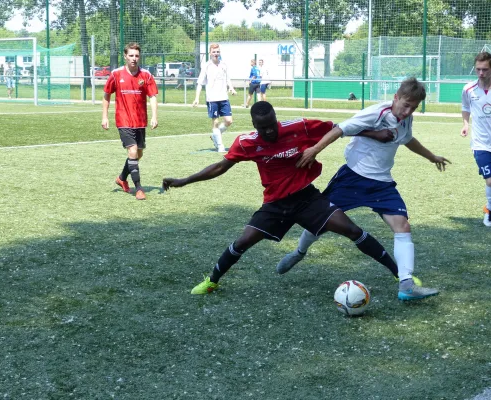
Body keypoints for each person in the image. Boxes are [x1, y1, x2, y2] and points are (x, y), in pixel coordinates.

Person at [163, 101, 412, 298]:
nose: (270, 131)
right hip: (275, 205)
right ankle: (211, 281)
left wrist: (374, 134)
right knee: (243, 241)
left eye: (273, 124)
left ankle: (398, 274)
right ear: (254, 124)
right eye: (264, 128)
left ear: (276, 119)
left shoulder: (298, 127)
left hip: (307, 198)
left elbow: (340, 128)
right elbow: (220, 167)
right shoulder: (247, 142)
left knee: (352, 229)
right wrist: (184, 180)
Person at [278, 77, 448, 301]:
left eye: (414, 107)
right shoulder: (376, 113)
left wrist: (431, 156)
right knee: (320, 220)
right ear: (396, 97)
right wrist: (315, 150)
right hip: (353, 178)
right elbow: (341, 129)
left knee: (402, 226)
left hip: (382, 184)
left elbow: (407, 140)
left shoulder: (406, 119)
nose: (408, 111)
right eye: (406, 105)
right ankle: (299, 252)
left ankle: (406, 283)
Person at [102, 42, 158, 201]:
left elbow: (153, 96)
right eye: (131, 55)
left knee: (138, 154)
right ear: (125, 56)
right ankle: (138, 188)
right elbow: (106, 95)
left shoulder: (146, 75)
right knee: (132, 151)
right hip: (123, 120)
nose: (134, 59)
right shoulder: (116, 74)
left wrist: (154, 116)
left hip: (140, 122)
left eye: (137, 56)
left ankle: (121, 178)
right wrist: (104, 117)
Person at [461, 52, 491, 227]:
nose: (481, 73)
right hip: (480, 144)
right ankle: (489, 210)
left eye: (485, 69)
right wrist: (465, 124)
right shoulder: (468, 89)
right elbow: (465, 107)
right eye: (478, 69)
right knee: (490, 179)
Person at [193, 43, 236, 153]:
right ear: (210, 53)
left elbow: (228, 79)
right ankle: (220, 146)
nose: (216, 54)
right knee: (215, 122)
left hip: (224, 97)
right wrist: (197, 98)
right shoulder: (206, 66)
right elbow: (200, 83)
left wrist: (231, 88)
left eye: (217, 52)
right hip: (212, 99)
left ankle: (215, 136)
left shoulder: (224, 65)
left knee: (229, 121)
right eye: (214, 52)